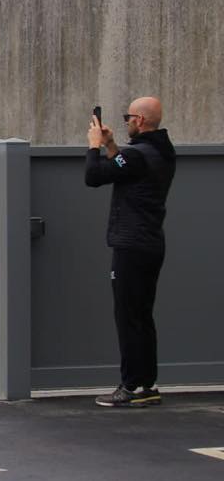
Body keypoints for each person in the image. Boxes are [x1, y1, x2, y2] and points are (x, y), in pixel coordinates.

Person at [86, 97, 175, 408]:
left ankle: (132, 385)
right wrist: (111, 146)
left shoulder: (138, 155)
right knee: (141, 316)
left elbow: (94, 177)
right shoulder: (161, 151)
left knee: (128, 317)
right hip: (150, 243)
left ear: (140, 120)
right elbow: (125, 169)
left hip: (131, 245)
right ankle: (147, 384)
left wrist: (94, 146)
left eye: (128, 117)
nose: (125, 122)